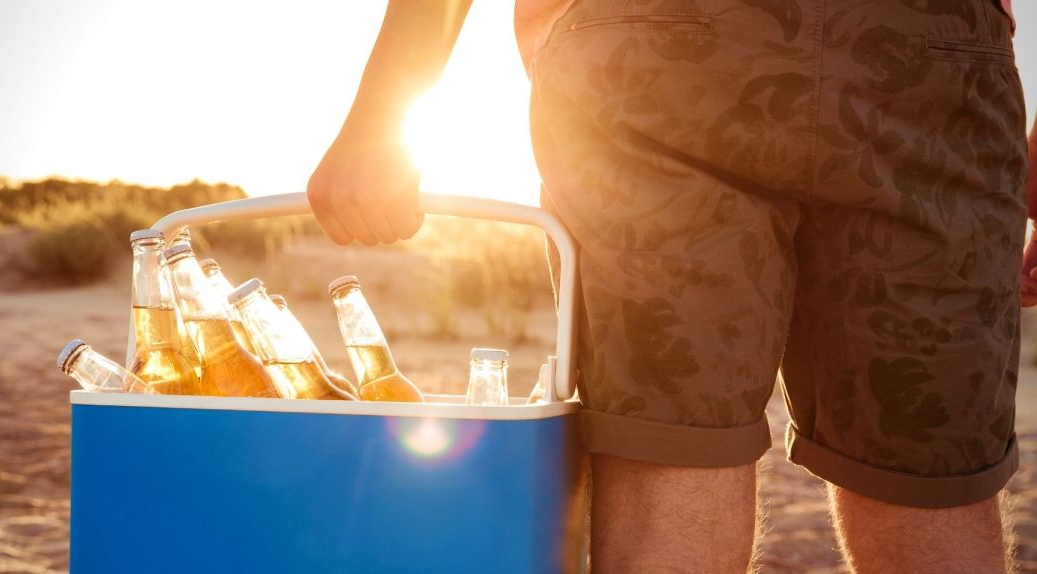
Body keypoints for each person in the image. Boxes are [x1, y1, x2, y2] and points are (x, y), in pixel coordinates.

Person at [308, 0, 1032, 571]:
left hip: (653, 62)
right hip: (929, 58)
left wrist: (382, 116)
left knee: (667, 469)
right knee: (926, 488)